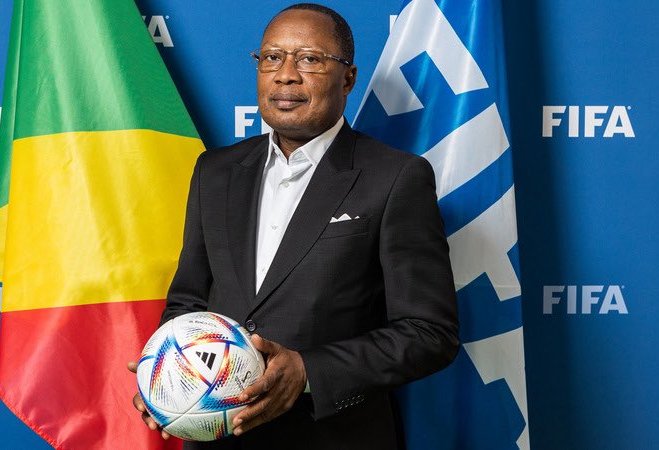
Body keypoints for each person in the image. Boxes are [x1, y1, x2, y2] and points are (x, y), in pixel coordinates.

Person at [128, 3, 459, 449]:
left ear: (348, 78)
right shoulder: (215, 171)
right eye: (272, 57)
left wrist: (307, 371)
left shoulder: (396, 177)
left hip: (332, 438)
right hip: (219, 440)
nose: (286, 75)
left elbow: (429, 333)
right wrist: (167, 380)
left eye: (309, 59)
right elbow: (188, 302)